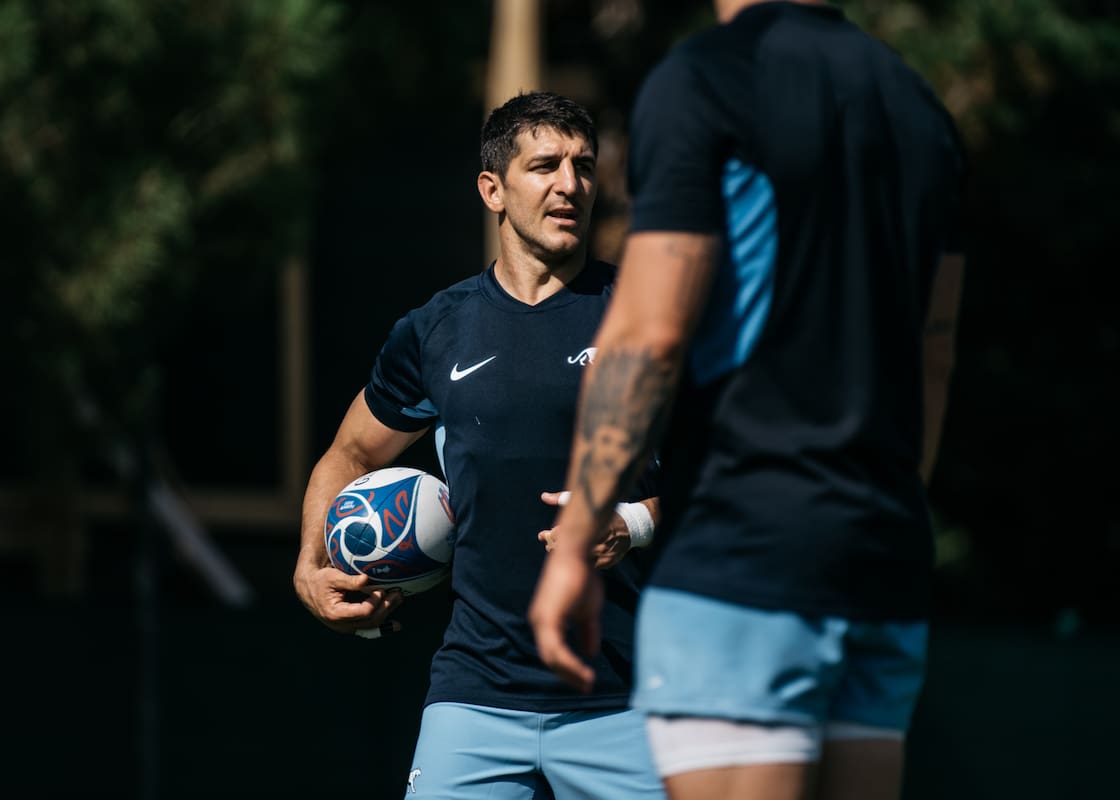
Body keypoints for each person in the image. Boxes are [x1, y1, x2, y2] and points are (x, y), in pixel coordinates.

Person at [528, 2, 966, 800]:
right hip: (883, 559)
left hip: (746, 553)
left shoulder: (706, 79)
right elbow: (933, 354)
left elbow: (648, 336)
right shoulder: (918, 106)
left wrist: (577, 539)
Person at [294, 92, 664, 799]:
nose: (570, 185)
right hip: (475, 693)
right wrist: (311, 564)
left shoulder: (646, 317)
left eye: (584, 167)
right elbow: (351, 454)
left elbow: (730, 477)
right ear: (492, 189)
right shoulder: (435, 332)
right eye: (546, 165)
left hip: (627, 695)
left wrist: (634, 523)